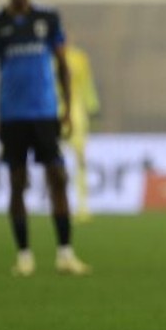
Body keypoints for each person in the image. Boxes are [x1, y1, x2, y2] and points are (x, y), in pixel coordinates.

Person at [0, 0, 91, 276]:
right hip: (12, 115)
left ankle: (65, 253)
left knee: (58, 177)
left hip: (44, 113)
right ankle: (24, 255)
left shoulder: (48, 19)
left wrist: (66, 108)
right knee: (17, 182)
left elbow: (62, 66)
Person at [59, 35, 101, 222]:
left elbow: (86, 84)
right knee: (55, 163)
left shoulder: (79, 58)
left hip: (76, 113)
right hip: (54, 113)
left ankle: (83, 206)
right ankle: (59, 204)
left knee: (80, 159)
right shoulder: (49, 59)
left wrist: (93, 108)